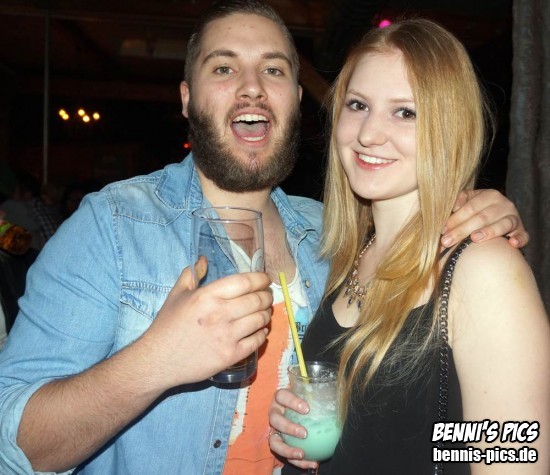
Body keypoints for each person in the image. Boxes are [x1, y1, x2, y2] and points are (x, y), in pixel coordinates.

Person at [0, 2, 529, 474]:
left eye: (273, 69)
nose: (251, 87)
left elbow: (511, 447)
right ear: (187, 97)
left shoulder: (329, 238)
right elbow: (13, 446)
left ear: (297, 100)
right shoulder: (113, 225)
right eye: (224, 68)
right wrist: (156, 361)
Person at [268, 18, 550, 475]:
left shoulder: (484, 269)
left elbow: (513, 455)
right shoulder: (350, 256)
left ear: (450, 128)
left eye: (405, 112)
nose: (368, 134)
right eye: (358, 105)